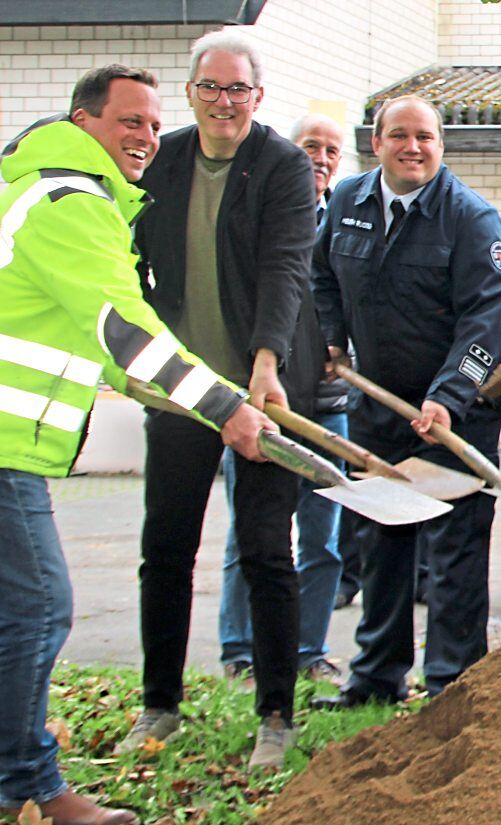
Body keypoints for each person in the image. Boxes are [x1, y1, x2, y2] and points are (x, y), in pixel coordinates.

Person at [1, 63, 277, 825]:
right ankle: (31, 783)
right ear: (84, 121)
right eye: (130, 121)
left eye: (155, 126)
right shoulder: (68, 202)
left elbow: (82, 335)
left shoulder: (39, 190)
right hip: (1, 453)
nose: (148, 138)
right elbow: (125, 331)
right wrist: (224, 404)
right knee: (37, 608)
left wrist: (150, 381)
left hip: (11, 449)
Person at [120, 32, 315, 770]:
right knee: (165, 546)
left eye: (238, 90)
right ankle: (159, 704)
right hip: (178, 390)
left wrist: (266, 362)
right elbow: (124, 253)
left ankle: (275, 715)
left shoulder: (283, 165)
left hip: (262, 389)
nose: (225, 102)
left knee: (267, 550)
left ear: (257, 97)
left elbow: (286, 265)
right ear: (192, 91)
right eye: (212, 88)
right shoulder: (159, 160)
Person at [309, 95, 501, 708]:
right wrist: (328, 337)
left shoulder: (471, 219)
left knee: (454, 549)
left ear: (440, 145)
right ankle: (377, 676)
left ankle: (452, 682)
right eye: (399, 135)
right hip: (379, 406)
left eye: (425, 136)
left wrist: (448, 397)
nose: (413, 147)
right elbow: (321, 278)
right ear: (378, 143)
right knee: (382, 540)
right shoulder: (347, 203)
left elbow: (488, 321)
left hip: (459, 413)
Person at [216, 113, 353, 689]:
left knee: (323, 535)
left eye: (331, 150)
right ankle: (240, 648)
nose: (320, 158)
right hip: (263, 400)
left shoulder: (348, 225)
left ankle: (308, 648)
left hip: (327, 400)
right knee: (255, 529)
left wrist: (343, 346)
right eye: (310, 147)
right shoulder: (265, 216)